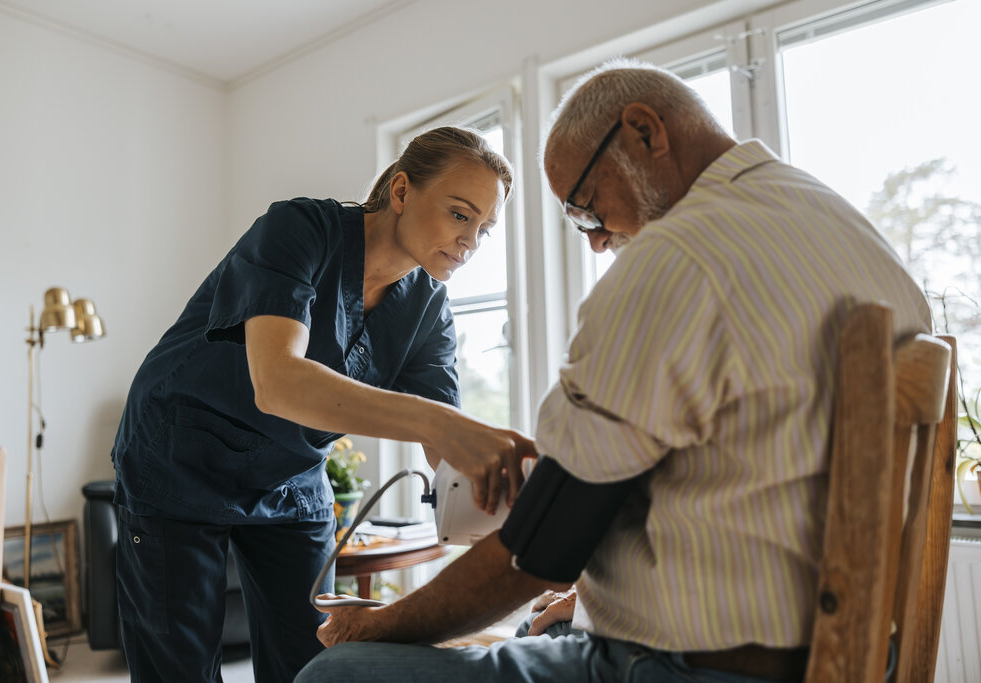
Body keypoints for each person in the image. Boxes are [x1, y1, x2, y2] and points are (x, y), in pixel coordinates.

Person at [296, 59, 932, 683]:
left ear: (645, 131)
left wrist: (376, 624)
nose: (597, 240)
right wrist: (599, 600)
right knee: (541, 624)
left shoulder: (676, 258)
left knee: (341, 669)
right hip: (849, 651)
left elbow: (536, 554)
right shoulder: (847, 230)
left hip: (692, 665)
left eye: (586, 206)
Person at [109, 125, 536, 683]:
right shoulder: (299, 229)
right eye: (460, 215)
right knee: (179, 669)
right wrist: (444, 423)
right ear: (402, 192)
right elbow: (278, 382)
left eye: (484, 228)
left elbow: (444, 448)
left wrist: (522, 508)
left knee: (315, 662)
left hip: (291, 474)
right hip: (179, 454)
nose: (471, 241)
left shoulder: (429, 307)